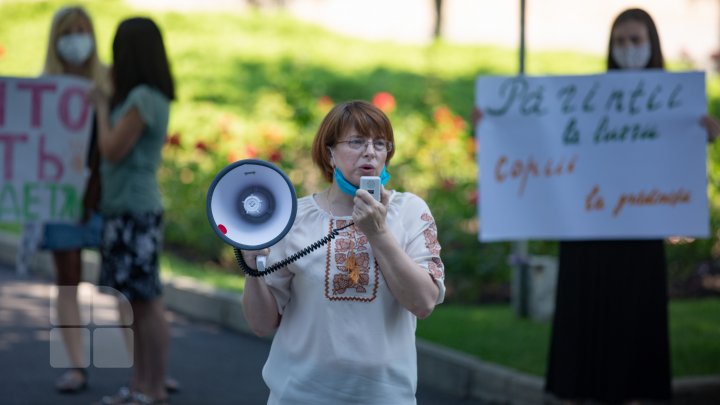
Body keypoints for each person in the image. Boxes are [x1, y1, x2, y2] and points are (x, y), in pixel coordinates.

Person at [544, 8, 720, 404]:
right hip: (589, 230)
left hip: (640, 231)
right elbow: (542, 131)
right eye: (620, 41)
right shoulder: (585, 98)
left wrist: (702, 135)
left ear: (652, 44)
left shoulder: (675, 102)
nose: (628, 49)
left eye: (635, 40)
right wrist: (498, 120)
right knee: (587, 321)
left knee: (634, 321)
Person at [240, 100, 446, 404]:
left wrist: (378, 233)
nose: (370, 152)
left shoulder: (410, 211)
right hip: (298, 396)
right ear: (329, 153)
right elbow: (261, 324)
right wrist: (252, 269)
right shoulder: (294, 217)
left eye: (380, 143)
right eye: (356, 142)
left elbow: (423, 302)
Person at [88, 16, 175, 405]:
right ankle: (140, 386)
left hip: (135, 211)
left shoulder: (140, 98)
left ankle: (151, 388)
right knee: (135, 302)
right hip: (127, 208)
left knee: (145, 301)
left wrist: (101, 108)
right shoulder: (148, 94)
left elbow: (112, 149)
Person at [37, 5, 109, 394]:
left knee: (127, 281)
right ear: (56, 39)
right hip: (61, 198)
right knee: (67, 280)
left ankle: (146, 369)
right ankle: (77, 366)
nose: (77, 38)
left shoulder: (110, 83)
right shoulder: (42, 89)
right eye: (69, 31)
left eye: (83, 30)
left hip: (105, 197)